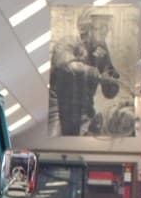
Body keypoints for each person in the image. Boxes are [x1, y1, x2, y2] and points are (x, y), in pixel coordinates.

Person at [49, 7, 122, 136]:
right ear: (87, 28)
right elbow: (68, 67)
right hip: (59, 112)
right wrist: (98, 76)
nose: (106, 30)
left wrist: (113, 81)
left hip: (85, 115)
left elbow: (109, 93)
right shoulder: (67, 42)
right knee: (55, 141)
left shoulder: (101, 52)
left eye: (107, 26)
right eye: (101, 26)